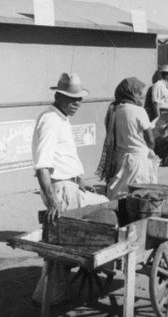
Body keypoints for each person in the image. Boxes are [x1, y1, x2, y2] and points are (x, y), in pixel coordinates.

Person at [31, 72, 109, 304]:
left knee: (65, 244)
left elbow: (62, 159)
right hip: (62, 192)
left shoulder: (60, 118)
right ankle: (49, 298)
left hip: (70, 187)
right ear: (58, 95)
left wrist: (80, 181)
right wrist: (52, 200)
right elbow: (43, 166)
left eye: (79, 99)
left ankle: (45, 295)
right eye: (71, 98)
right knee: (65, 246)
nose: (76, 103)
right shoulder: (51, 120)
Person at [96, 77, 158, 200]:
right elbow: (151, 142)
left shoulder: (116, 110)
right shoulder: (139, 111)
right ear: (131, 93)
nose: (141, 96)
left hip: (121, 159)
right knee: (140, 197)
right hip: (139, 162)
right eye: (138, 92)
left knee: (121, 196)